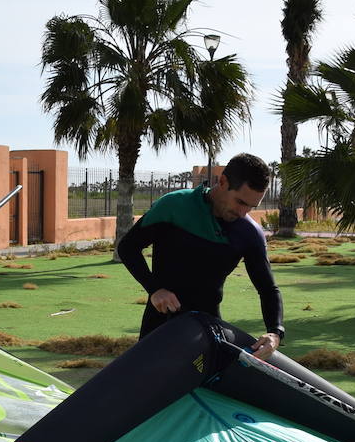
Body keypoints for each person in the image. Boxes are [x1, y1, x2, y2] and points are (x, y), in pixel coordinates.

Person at [116, 152, 282, 359]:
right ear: (223, 182)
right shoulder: (174, 206)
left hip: (207, 329)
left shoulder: (249, 233)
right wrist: (155, 289)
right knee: (144, 386)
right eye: (240, 202)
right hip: (159, 322)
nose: (243, 212)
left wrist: (275, 332)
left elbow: (267, 288)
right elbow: (128, 247)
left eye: (251, 206)